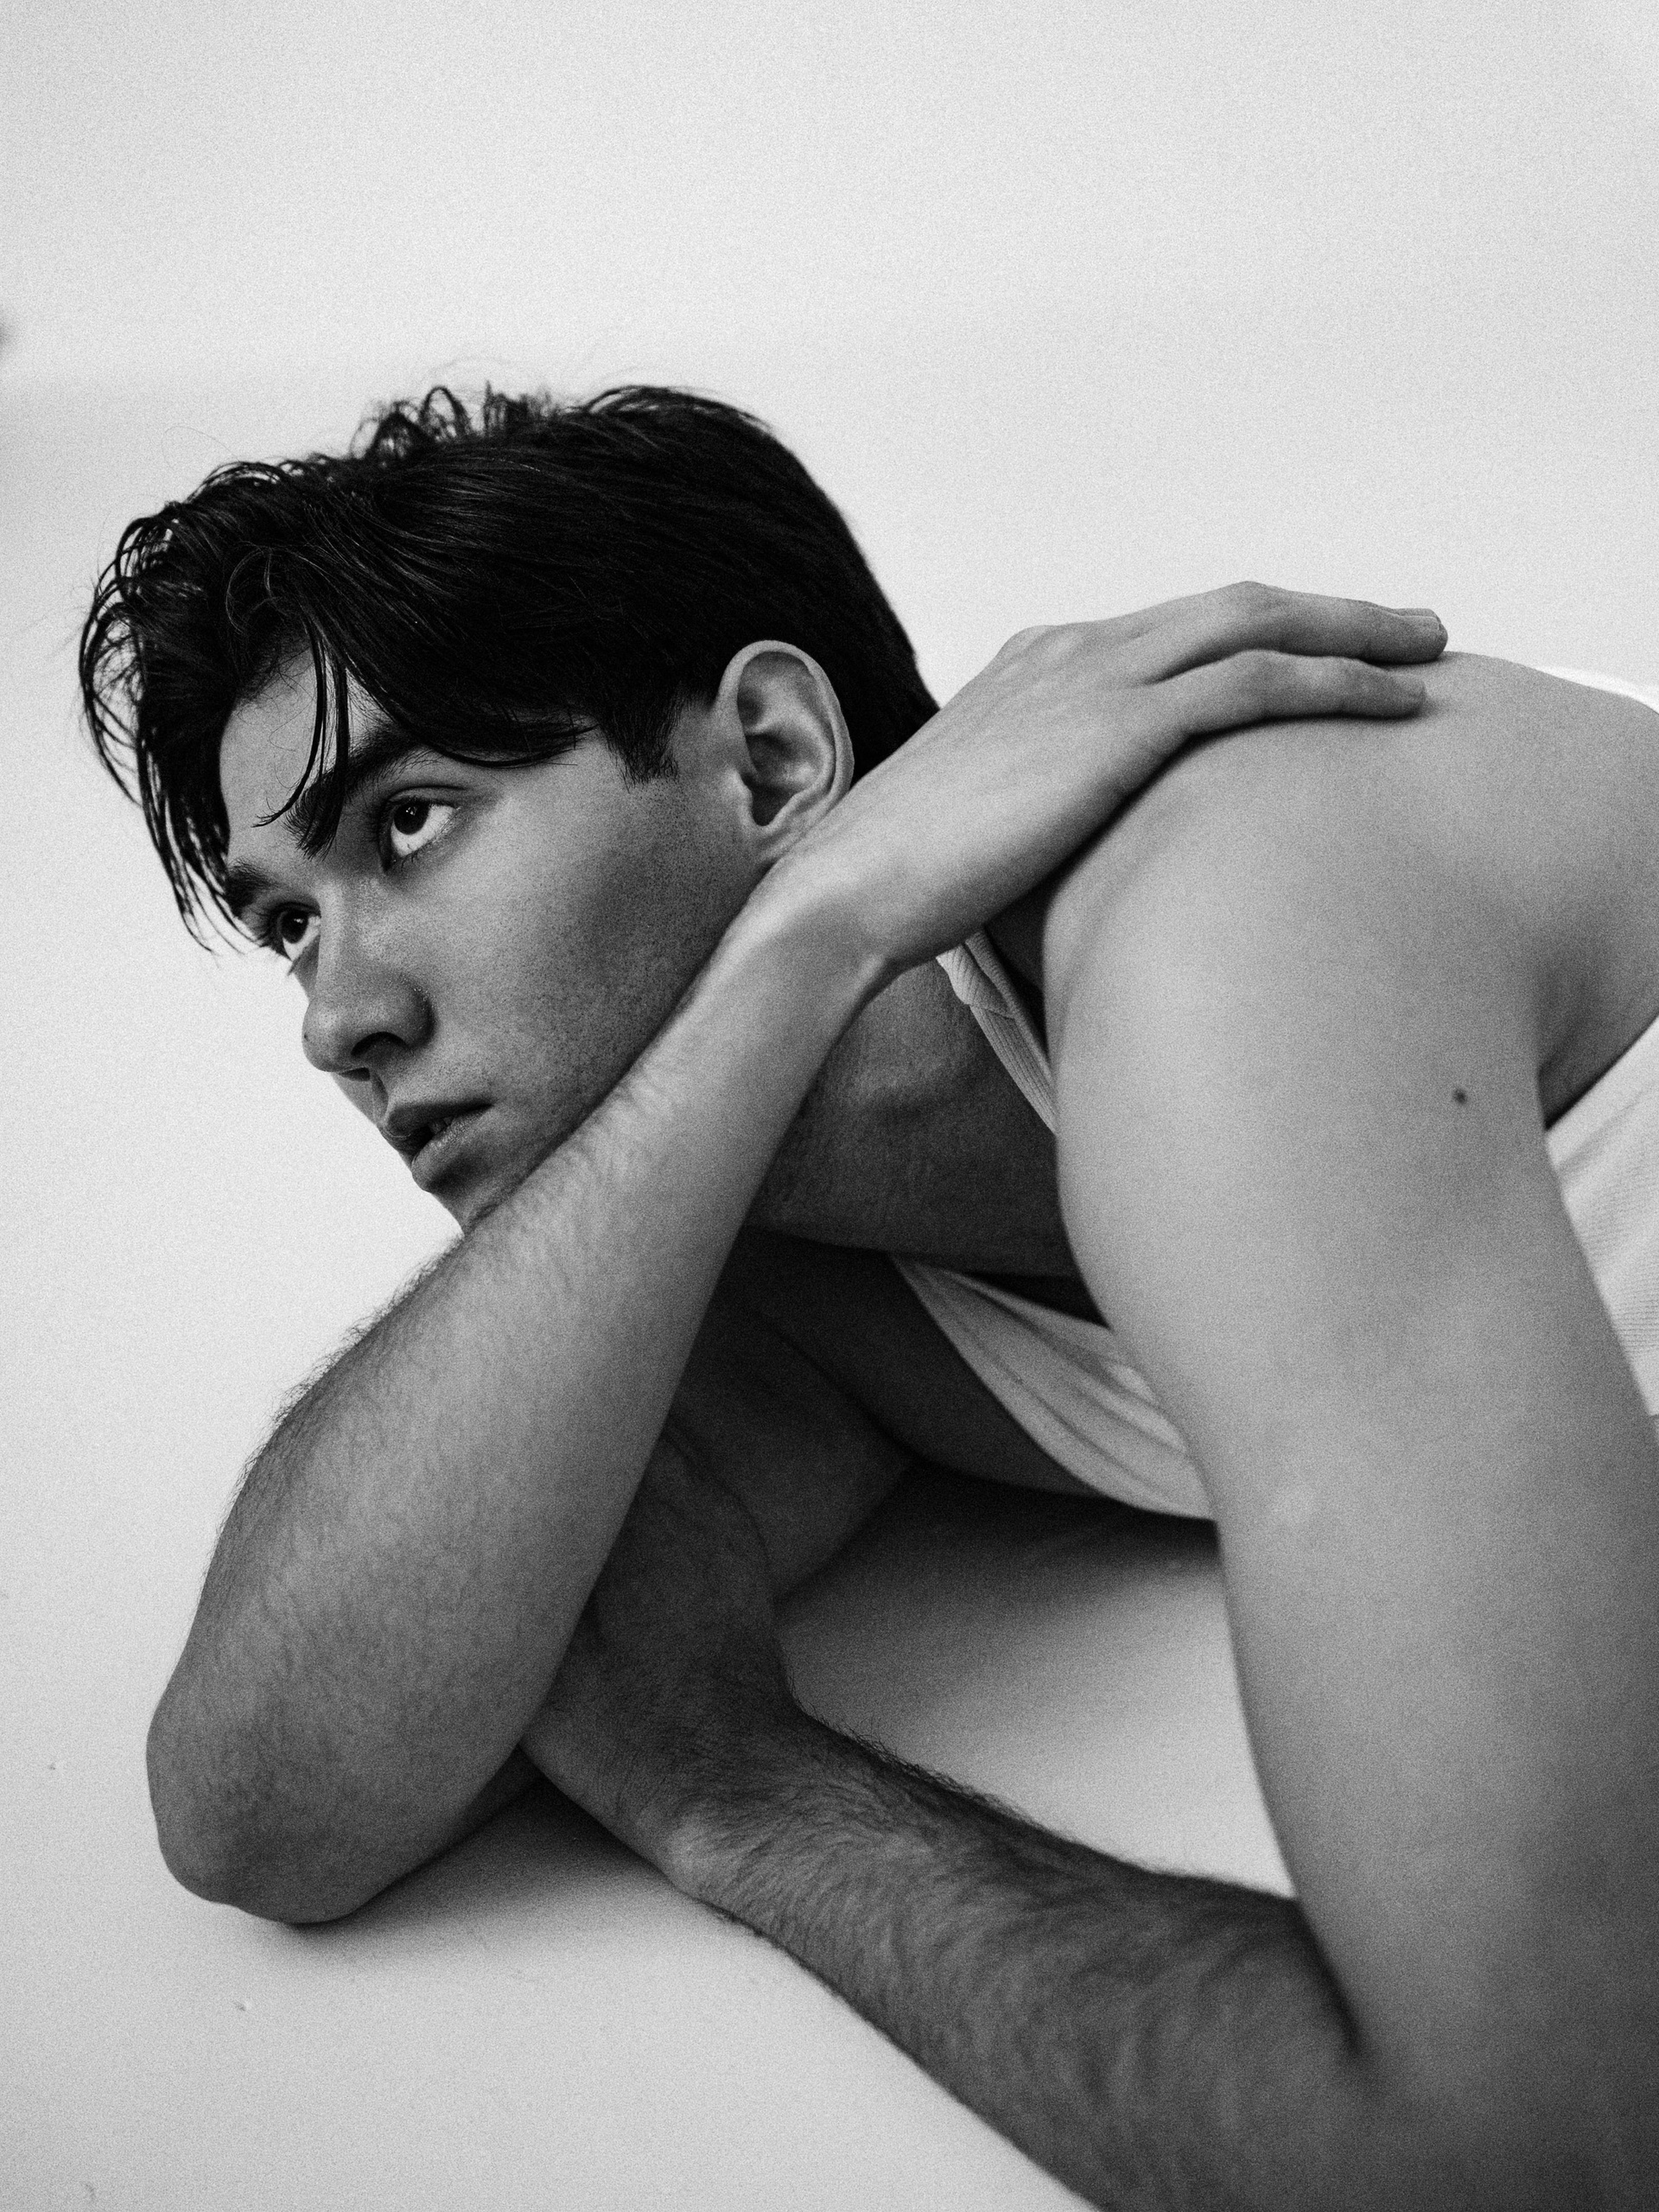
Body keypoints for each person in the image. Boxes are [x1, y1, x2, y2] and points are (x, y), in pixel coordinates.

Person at [81, 386, 1658, 2210]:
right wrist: (781, 979)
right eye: (290, 923)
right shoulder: (805, 1276)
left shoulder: (1231, 941)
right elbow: (257, 1806)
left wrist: (749, 1801)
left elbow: (1546, 2139)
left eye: (412, 823)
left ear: (770, 761)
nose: (337, 1020)